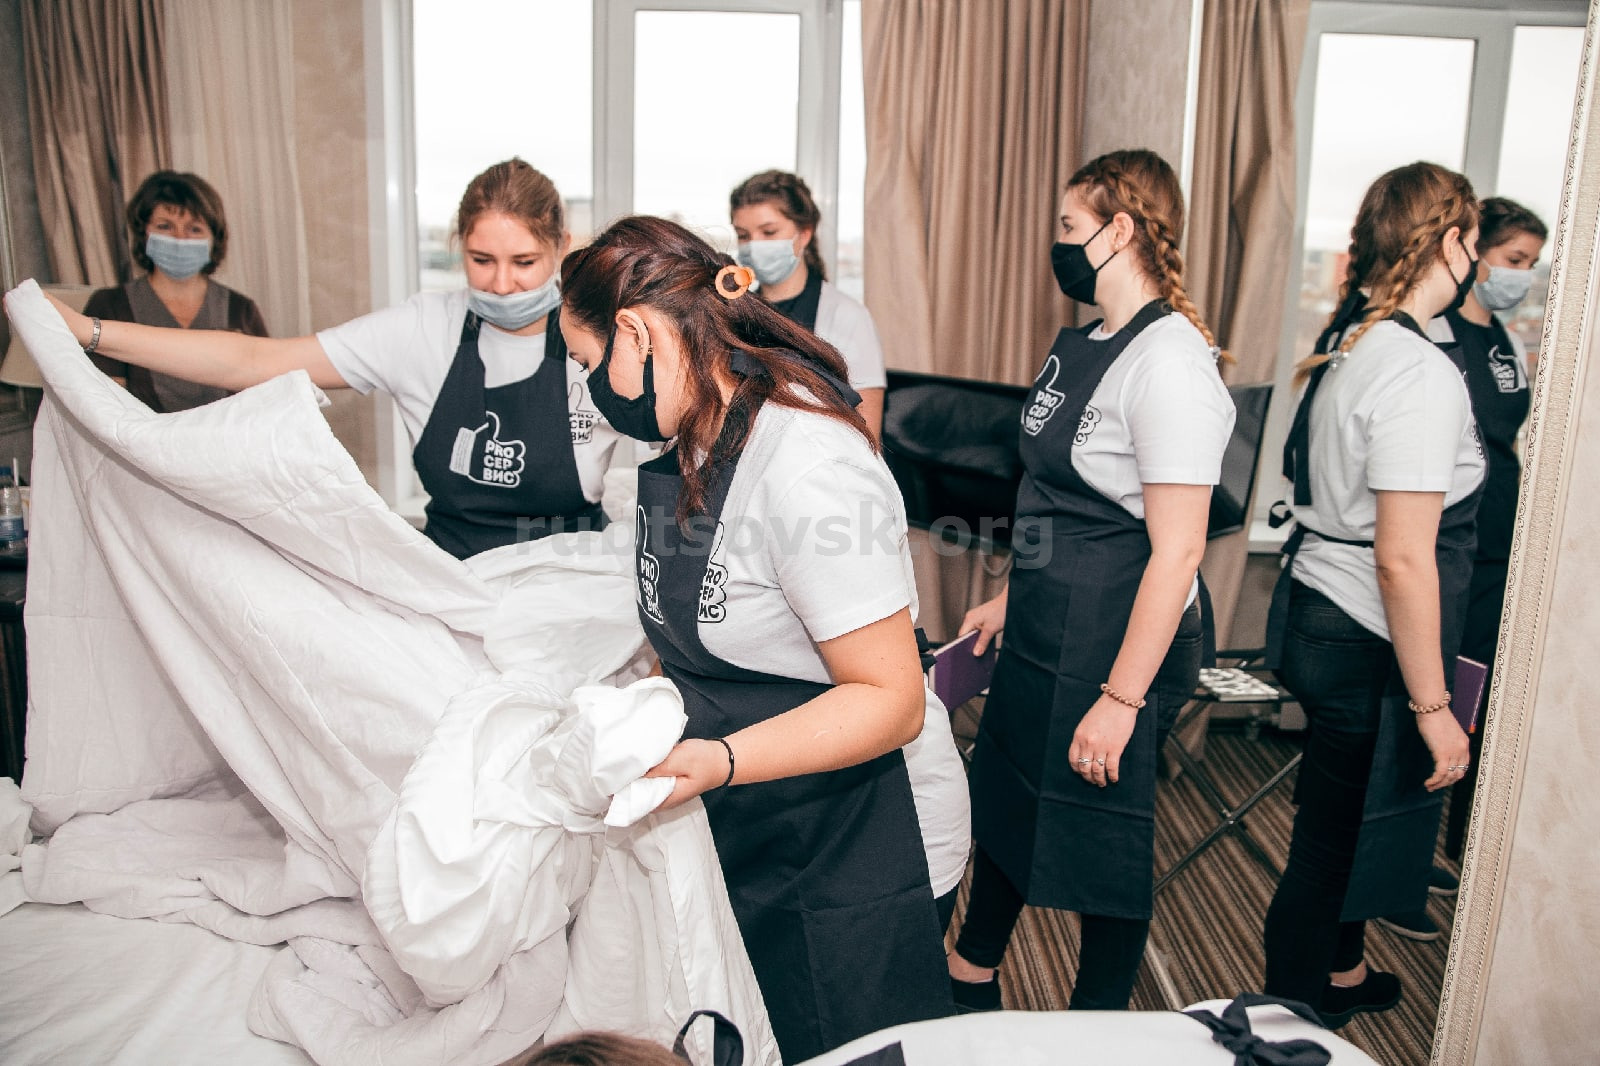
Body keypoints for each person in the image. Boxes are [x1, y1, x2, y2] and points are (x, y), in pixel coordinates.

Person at [558, 215, 966, 1062]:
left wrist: (720, 760)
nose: (588, 386)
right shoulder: (690, 436)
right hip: (759, 807)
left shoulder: (809, 464)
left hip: (858, 831)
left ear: (635, 331)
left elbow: (891, 702)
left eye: (587, 361)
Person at [947, 149, 1234, 1013]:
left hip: (1121, 640)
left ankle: (1098, 1026)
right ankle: (970, 971)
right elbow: (1059, 495)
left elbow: (1178, 552)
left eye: (1070, 227)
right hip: (1052, 619)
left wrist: (1120, 699)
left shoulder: (1170, 364)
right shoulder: (1087, 343)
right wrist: (1015, 596)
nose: (1059, 243)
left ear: (1120, 231)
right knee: (1011, 798)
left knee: (1101, 840)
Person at [51, 158, 621, 560]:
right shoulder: (423, 329)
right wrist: (91, 331)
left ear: (560, 246)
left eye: (524, 262)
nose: (500, 284)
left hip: (570, 586)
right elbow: (252, 361)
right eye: (481, 260)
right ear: (458, 248)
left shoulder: (599, 335)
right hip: (458, 580)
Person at [1261, 161, 1484, 1026]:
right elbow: (1402, 558)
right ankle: (1283, 1022)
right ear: (1452, 244)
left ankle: (1340, 978)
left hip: (1320, 604)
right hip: (1360, 625)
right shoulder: (1416, 369)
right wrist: (1434, 707)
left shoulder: (1356, 341)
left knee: (1340, 821)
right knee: (1333, 844)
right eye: (1473, 242)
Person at [86, 170, 269, 412]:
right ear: (143, 234)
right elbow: (103, 408)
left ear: (214, 238)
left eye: (194, 229)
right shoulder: (111, 306)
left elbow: (267, 398)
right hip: (142, 436)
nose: (180, 238)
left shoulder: (240, 310)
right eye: (165, 226)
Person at [730, 169, 886, 437]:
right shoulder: (735, 315)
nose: (754, 246)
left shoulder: (847, 317)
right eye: (744, 235)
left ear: (804, 234)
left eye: (769, 232)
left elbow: (867, 433)